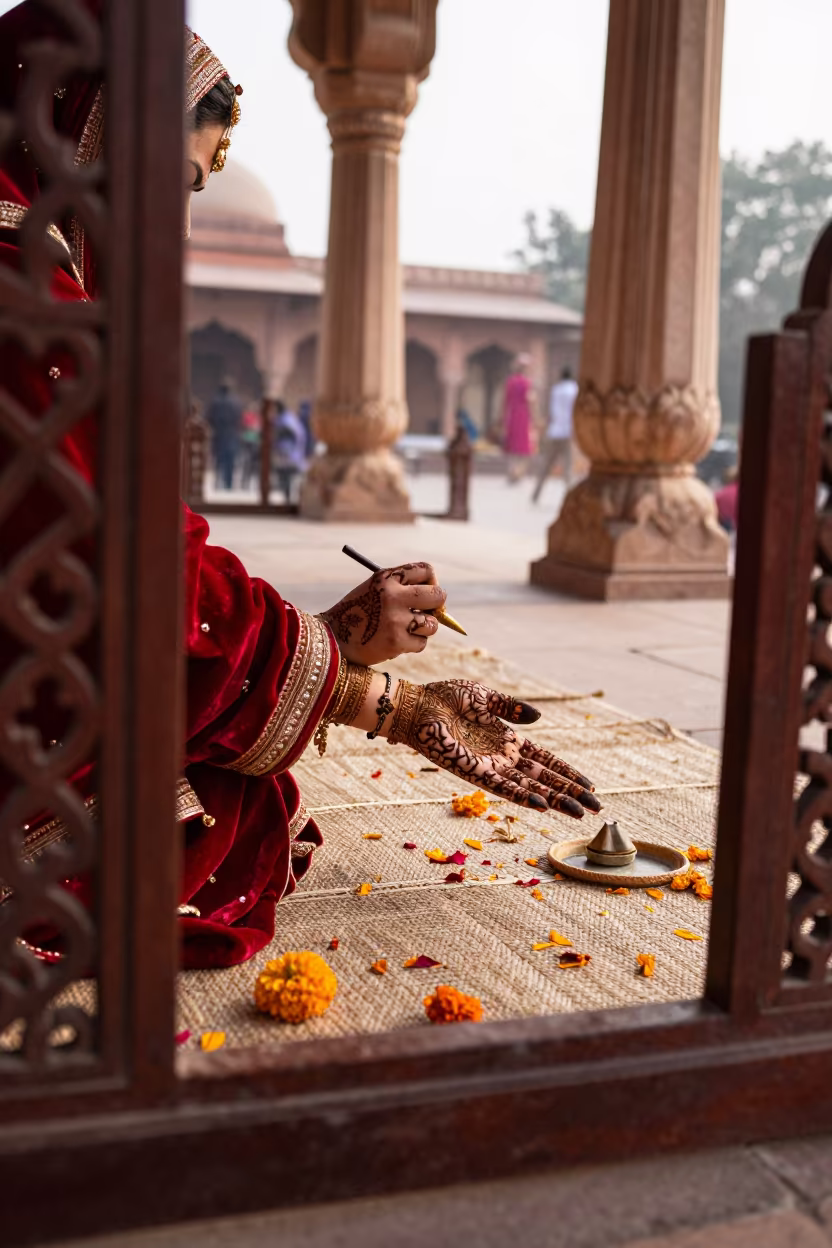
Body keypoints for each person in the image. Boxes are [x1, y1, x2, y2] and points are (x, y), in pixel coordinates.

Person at [0, 0, 600, 971]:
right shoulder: (21, 291)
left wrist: (324, 645)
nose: (165, 225)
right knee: (218, 811)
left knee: (232, 747)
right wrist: (390, 706)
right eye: (166, 183)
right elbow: (129, 577)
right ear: (83, 135)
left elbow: (124, 561)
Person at [532, 366, 579, 503]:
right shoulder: (574, 390)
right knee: (568, 467)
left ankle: (536, 494)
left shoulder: (556, 390)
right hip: (568, 431)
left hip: (555, 431)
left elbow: (552, 411)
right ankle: (570, 497)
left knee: (546, 465)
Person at [502, 354, 537, 483]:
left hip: (512, 416)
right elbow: (530, 400)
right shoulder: (526, 383)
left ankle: (512, 471)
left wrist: (504, 419)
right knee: (524, 448)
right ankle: (518, 472)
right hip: (523, 416)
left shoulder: (510, 382)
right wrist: (534, 418)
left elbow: (505, 402)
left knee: (513, 447)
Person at [206, 378, 243, 490]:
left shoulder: (215, 402)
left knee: (219, 458)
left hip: (219, 433)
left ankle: (218, 481)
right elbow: (240, 418)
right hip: (232, 433)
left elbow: (209, 417)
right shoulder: (236, 402)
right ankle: (229, 483)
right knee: (230, 459)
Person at [272, 400, 308, 503]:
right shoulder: (288, 418)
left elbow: (292, 434)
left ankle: (289, 497)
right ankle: (287, 496)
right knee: (285, 477)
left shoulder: (285, 420)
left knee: (287, 476)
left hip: (288, 453)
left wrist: (282, 447)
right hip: (290, 452)